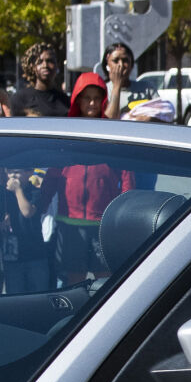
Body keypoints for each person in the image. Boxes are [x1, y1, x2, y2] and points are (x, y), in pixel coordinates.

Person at [51, 73, 135, 282]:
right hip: (69, 220)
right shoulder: (67, 133)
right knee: (74, 278)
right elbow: (54, 172)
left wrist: (125, 210)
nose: (92, 103)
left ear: (104, 100)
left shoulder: (110, 133)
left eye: (97, 98)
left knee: (105, 278)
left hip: (102, 221)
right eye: (87, 98)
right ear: (77, 100)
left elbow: (126, 172)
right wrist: (41, 205)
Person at [8, 43, 69, 118]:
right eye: (40, 62)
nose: (45, 65)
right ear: (32, 67)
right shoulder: (19, 100)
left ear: (57, 65)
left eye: (50, 61)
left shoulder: (65, 100)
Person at [100, 40, 136, 119]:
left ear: (131, 64)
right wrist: (117, 85)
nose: (121, 65)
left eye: (125, 60)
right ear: (107, 65)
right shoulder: (102, 90)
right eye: (115, 61)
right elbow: (109, 120)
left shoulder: (147, 88)